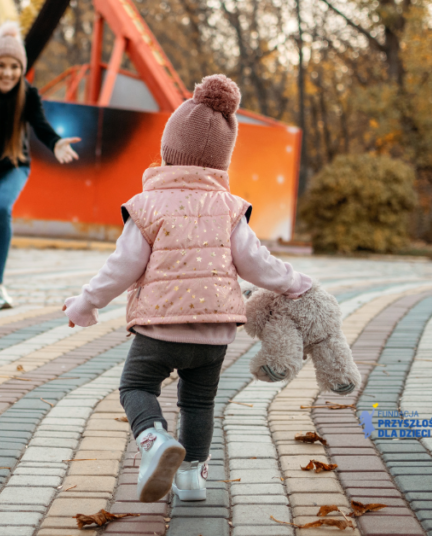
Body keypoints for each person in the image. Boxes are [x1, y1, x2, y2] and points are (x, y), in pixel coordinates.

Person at [62, 74, 312, 503]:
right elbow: (256, 263)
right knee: (198, 404)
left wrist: (86, 303)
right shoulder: (230, 208)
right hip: (214, 332)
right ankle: (192, 478)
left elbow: (123, 266)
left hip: (160, 328)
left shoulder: (147, 205)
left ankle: (153, 440)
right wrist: (296, 283)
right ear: (221, 162)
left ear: (167, 152)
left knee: (135, 389)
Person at [0, 22, 80, 309]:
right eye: (1, 66)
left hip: (13, 166)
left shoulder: (28, 94)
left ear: (22, 69)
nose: (7, 73)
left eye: (14, 67)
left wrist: (56, 143)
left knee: (2, 209)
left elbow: (41, 126)